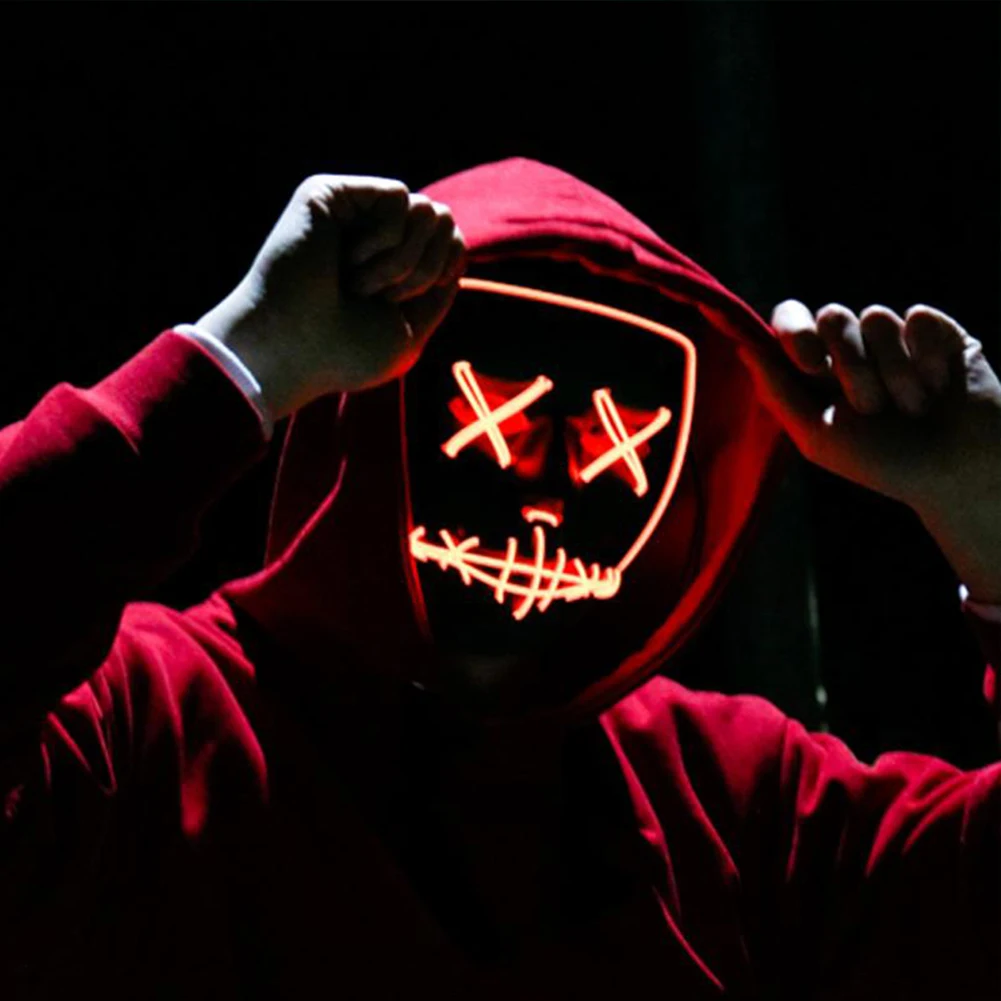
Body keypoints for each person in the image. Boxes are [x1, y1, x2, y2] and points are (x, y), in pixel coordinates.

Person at [0, 158, 997, 999]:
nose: (545, 503)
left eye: (614, 448)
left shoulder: (730, 792)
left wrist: (986, 511)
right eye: (493, 427)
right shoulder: (150, 724)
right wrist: (235, 358)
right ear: (369, 405)